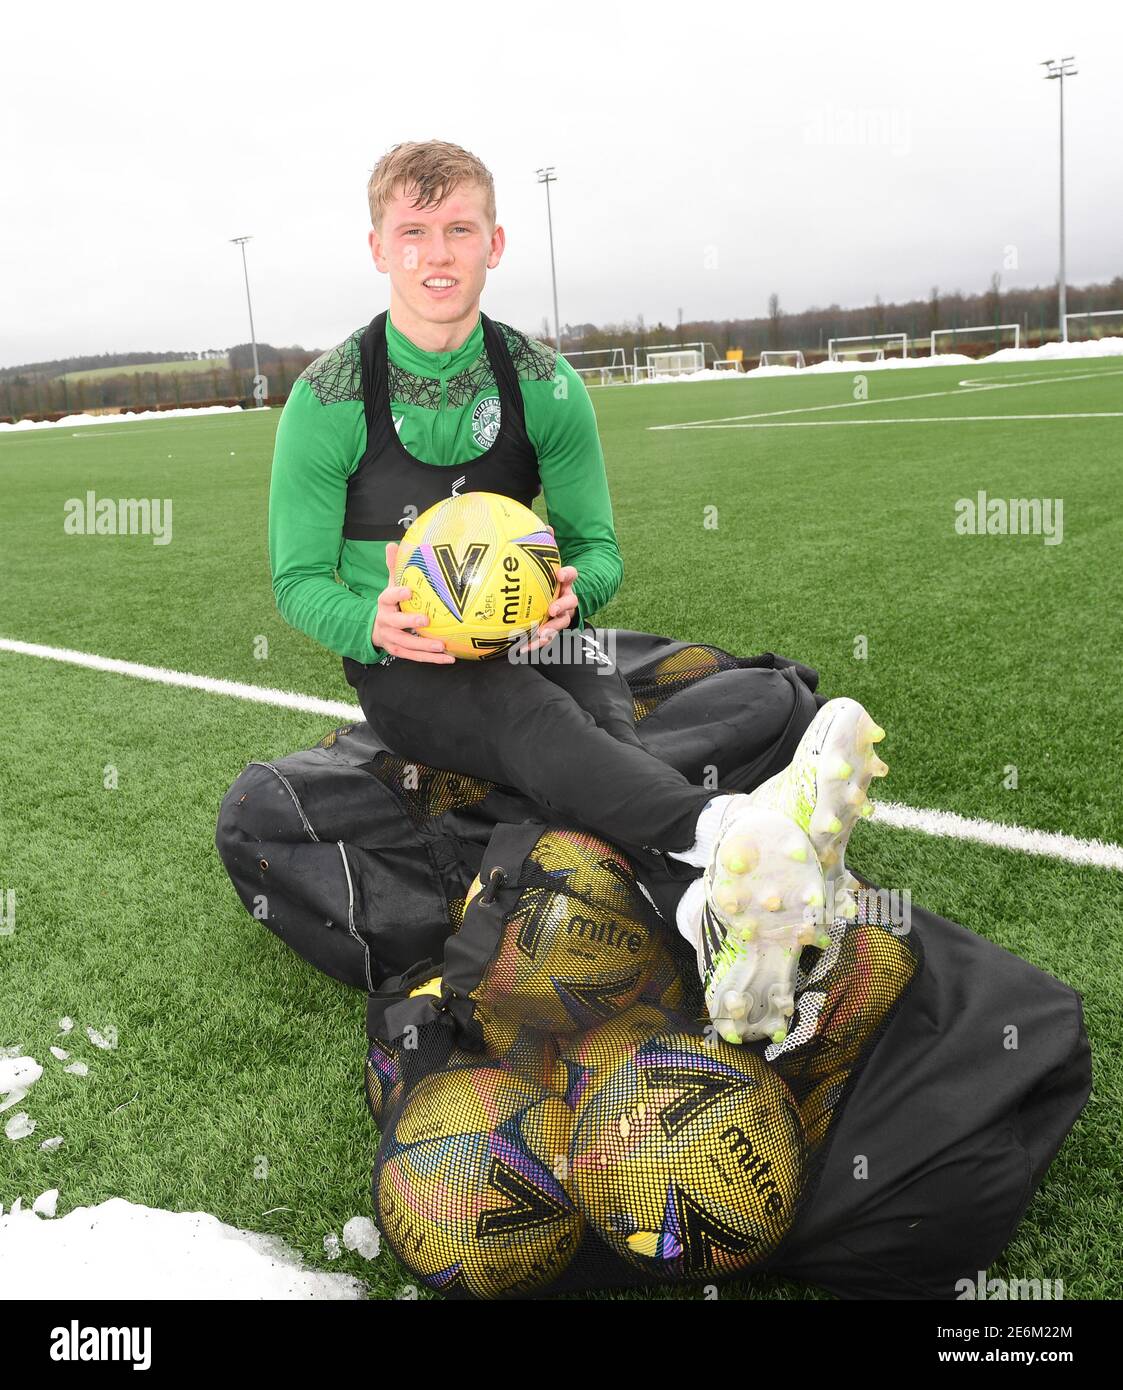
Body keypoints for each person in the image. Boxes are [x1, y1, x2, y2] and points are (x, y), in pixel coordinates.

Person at [268, 140, 888, 1045]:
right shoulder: (326, 398)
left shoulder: (542, 383)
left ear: (495, 241)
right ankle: (728, 835)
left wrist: (571, 597)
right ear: (377, 249)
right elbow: (294, 582)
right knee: (533, 720)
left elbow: (598, 551)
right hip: (411, 662)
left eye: (457, 229)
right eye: (412, 232)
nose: (436, 253)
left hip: (533, 629)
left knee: (600, 717)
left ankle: (697, 916)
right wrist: (372, 621)